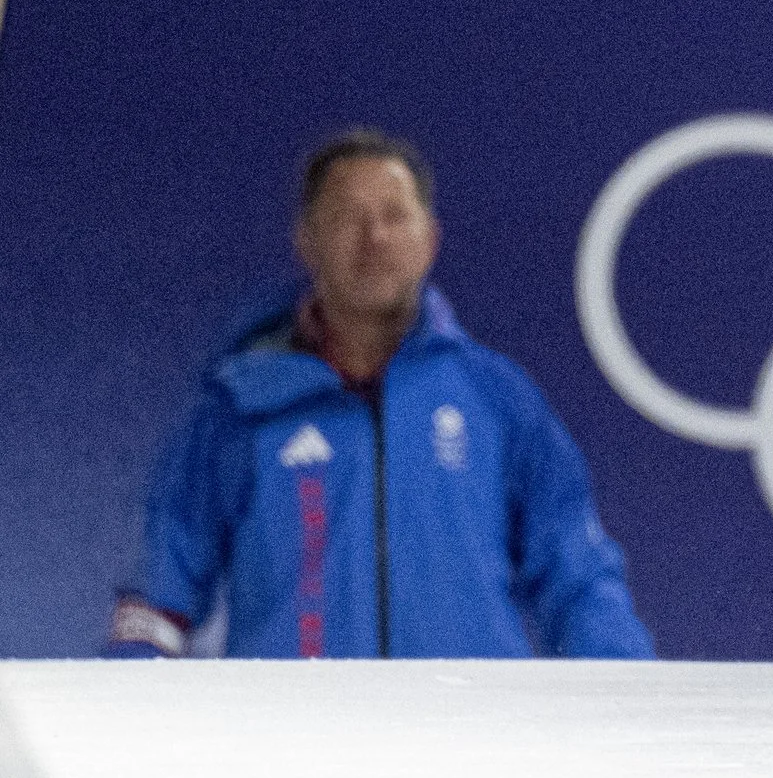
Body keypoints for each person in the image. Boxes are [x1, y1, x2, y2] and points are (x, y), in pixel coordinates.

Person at [106, 130, 653, 660]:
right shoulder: (239, 407)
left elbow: (577, 575)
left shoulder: (495, 397)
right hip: (293, 722)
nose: (374, 239)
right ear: (306, 240)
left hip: (471, 719)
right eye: (348, 218)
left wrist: (626, 692)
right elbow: (159, 592)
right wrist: (129, 683)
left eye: (394, 216)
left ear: (430, 239)